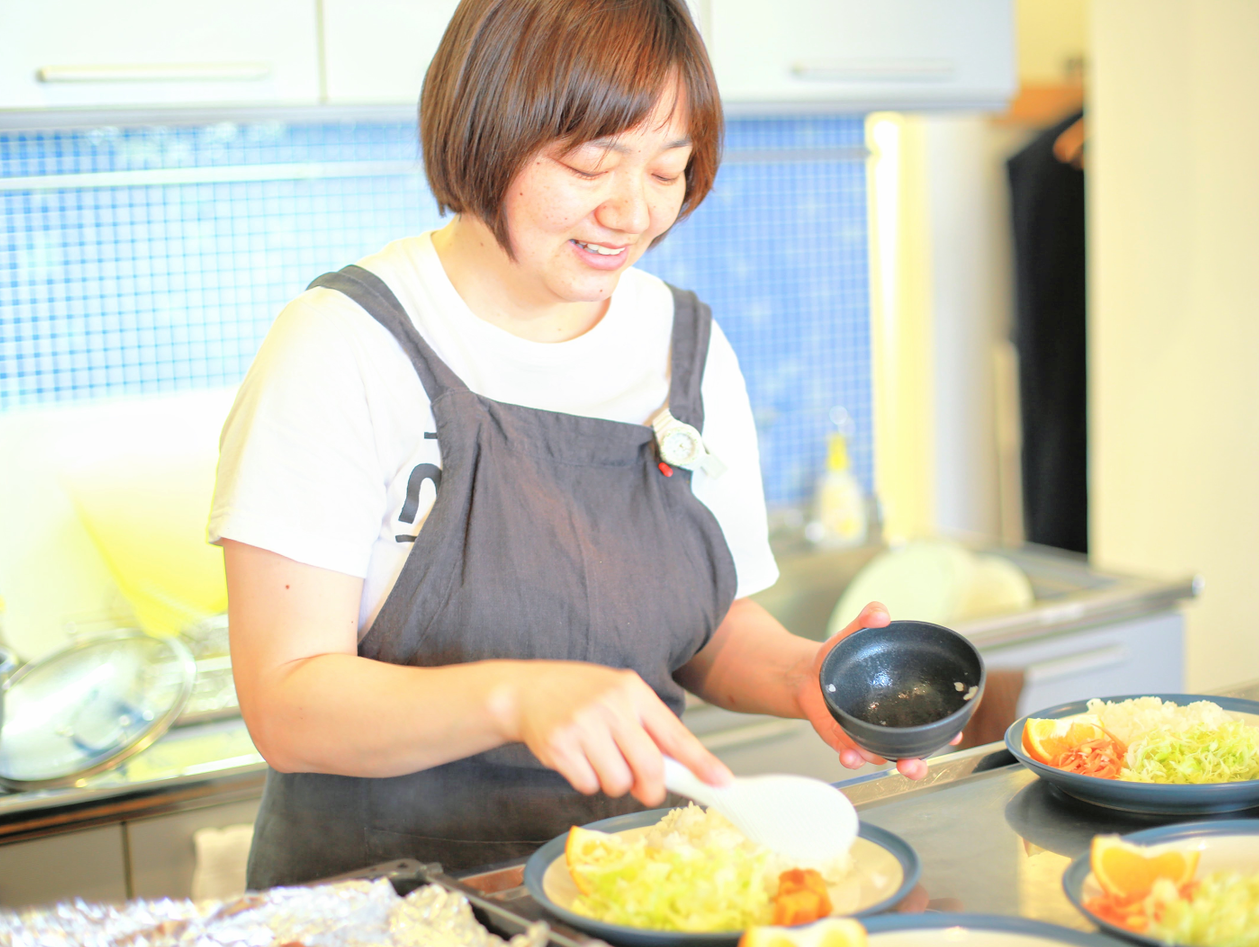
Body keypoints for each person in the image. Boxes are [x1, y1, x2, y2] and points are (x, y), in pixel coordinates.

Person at [209, 0, 936, 890]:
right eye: (591, 164)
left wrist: (802, 676)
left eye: (667, 170)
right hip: (383, 912)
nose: (631, 212)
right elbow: (286, 703)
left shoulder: (686, 344)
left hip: (623, 891)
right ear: (486, 129)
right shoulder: (343, 343)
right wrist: (520, 696)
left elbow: (706, 630)